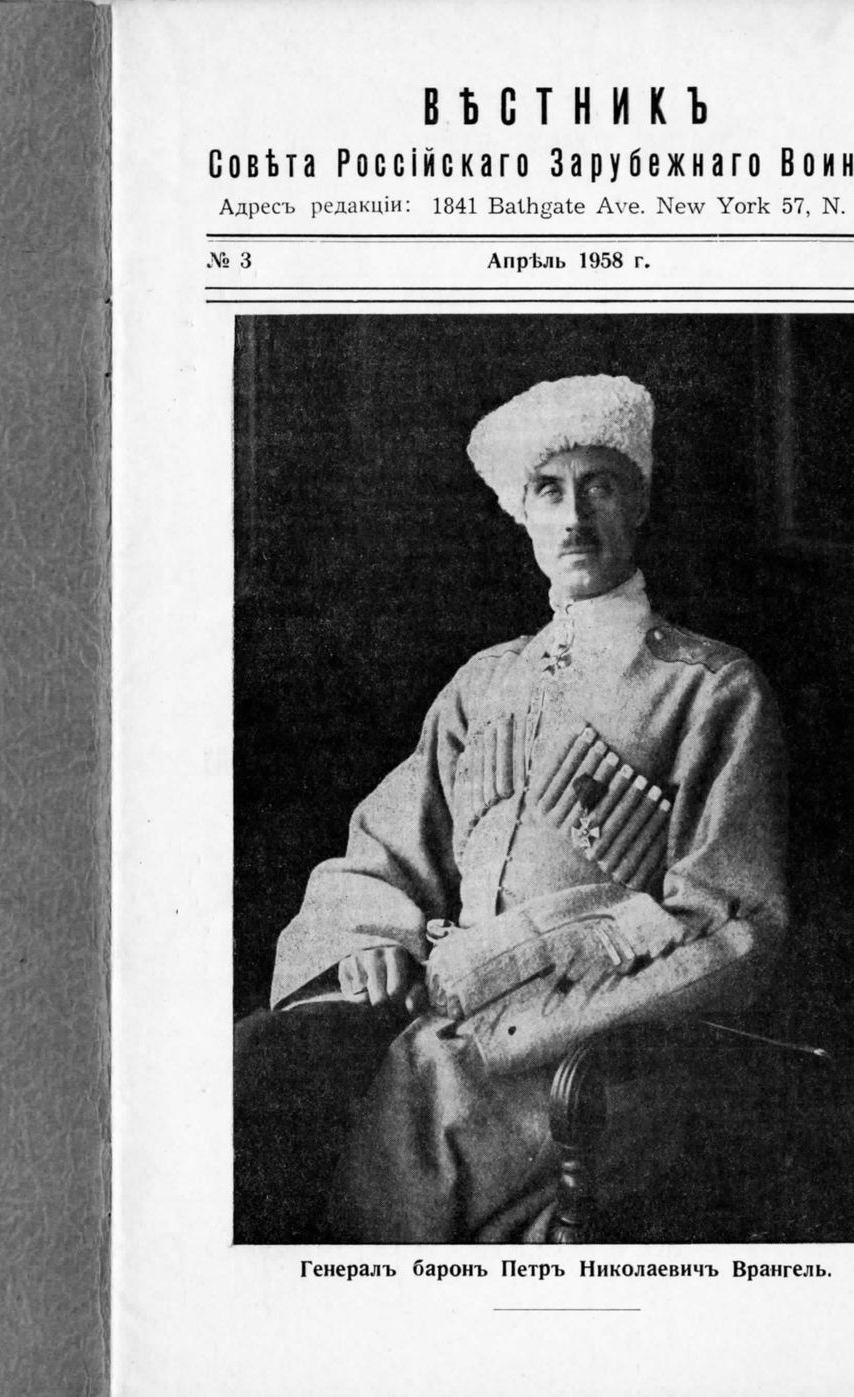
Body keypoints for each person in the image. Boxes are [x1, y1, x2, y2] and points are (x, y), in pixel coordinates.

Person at [234, 374, 789, 1243]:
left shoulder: (711, 689)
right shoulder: (484, 683)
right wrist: (368, 939)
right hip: (433, 1027)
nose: (574, 517)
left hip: (579, 1057)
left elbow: (733, 925)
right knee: (254, 1072)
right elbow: (385, 851)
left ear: (639, 502)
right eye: (549, 491)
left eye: (599, 486)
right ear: (522, 514)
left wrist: (522, 989)